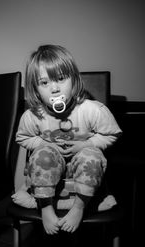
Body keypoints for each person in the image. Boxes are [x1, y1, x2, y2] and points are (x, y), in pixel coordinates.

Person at [13, 44, 122, 235]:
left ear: (74, 80)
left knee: (92, 157)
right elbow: (23, 137)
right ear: (35, 89)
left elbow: (112, 133)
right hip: (48, 171)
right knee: (43, 155)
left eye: (61, 79)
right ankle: (46, 208)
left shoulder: (92, 110)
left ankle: (78, 207)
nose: (54, 88)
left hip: (82, 170)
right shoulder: (33, 116)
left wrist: (87, 144)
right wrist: (42, 143)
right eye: (44, 83)